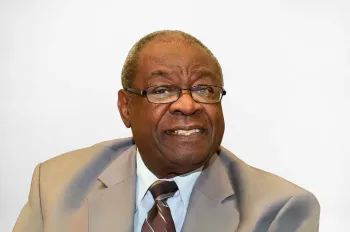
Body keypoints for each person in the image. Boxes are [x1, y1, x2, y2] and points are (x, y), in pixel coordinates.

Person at [13, 30, 320, 232]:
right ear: (125, 108)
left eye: (204, 89)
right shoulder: (55, 187)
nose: (188, 105)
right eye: (162, 90)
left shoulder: (279, 210)